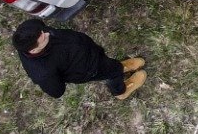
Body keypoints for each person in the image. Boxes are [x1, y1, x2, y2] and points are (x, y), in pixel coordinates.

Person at [11, 18, 144, 101]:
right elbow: (57, 91)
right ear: (33, 50)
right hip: (89, 69)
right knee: (113, 71)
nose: (47, 33)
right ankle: (120, 91)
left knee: (108, 62)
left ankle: (118, 67)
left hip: (89, 50)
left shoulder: (31, 28)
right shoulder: (43, 72)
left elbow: (40, 25)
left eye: (43, 31)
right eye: (44, 38)